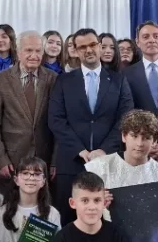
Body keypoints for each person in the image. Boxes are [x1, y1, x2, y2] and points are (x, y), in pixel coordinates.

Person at [48, 28, 133, 225]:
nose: (88, 50)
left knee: (108, 223)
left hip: (109, 162)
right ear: (76, 51)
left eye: (92, 44)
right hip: (71, 162)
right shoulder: (63, 81)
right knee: (68, 223)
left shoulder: (119, 80)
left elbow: (126, 118)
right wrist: (80, 150)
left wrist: (104, 150)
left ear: (100, 46)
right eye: (82, 47)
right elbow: (56, 119)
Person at [0, 31, 56, 181]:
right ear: (18, 52)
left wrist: (56, 160)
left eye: (38, 51)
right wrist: (1, 159)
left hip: (45, 161)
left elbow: (60, 123)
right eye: (28, 50)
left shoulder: (53, 79)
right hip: (11, 161)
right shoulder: (1, 80)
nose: (34, 55)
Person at [85, 110, 158, 221]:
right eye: (134, 136)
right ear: (124, 136)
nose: (139, 143)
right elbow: (83, 210)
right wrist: (96, 203)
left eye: (146, 138)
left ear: (154, 141)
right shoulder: (100, 167)